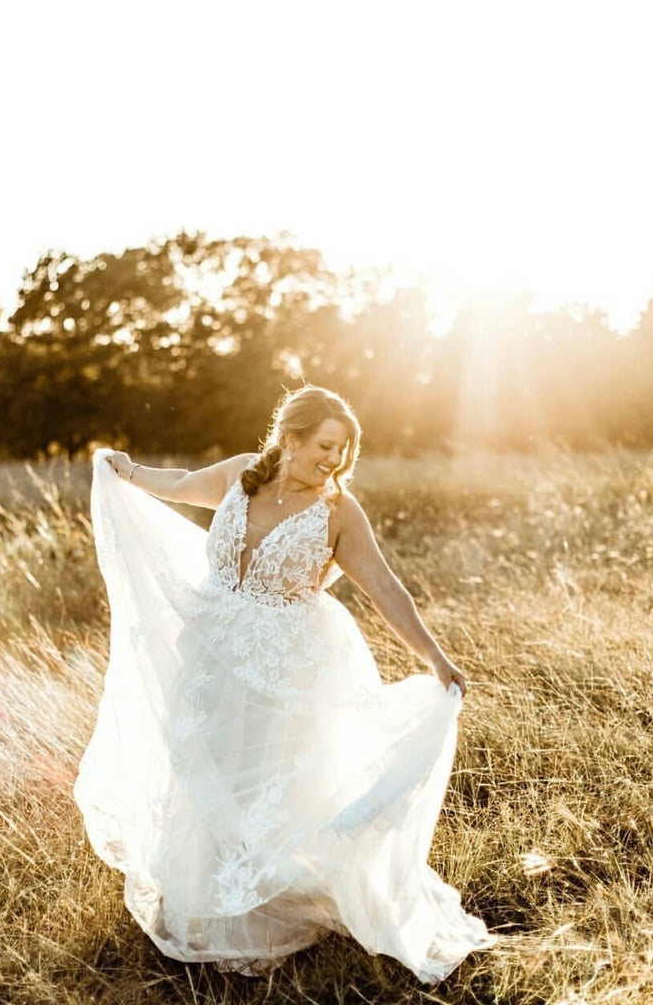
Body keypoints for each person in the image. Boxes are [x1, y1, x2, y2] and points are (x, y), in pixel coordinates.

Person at [74, 385, 495, 983]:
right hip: (210, 653)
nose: (334, 459)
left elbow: (385, 587)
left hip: (285, 672)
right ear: (290, 437)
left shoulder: (338, 511)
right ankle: (202, 905)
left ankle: (266, 911)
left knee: (266, 785)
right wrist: (128, 470)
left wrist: (436, 658)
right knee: (202, 771)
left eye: (344, 450)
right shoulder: (243, 475)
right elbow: (180, 483)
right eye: (326, 445)